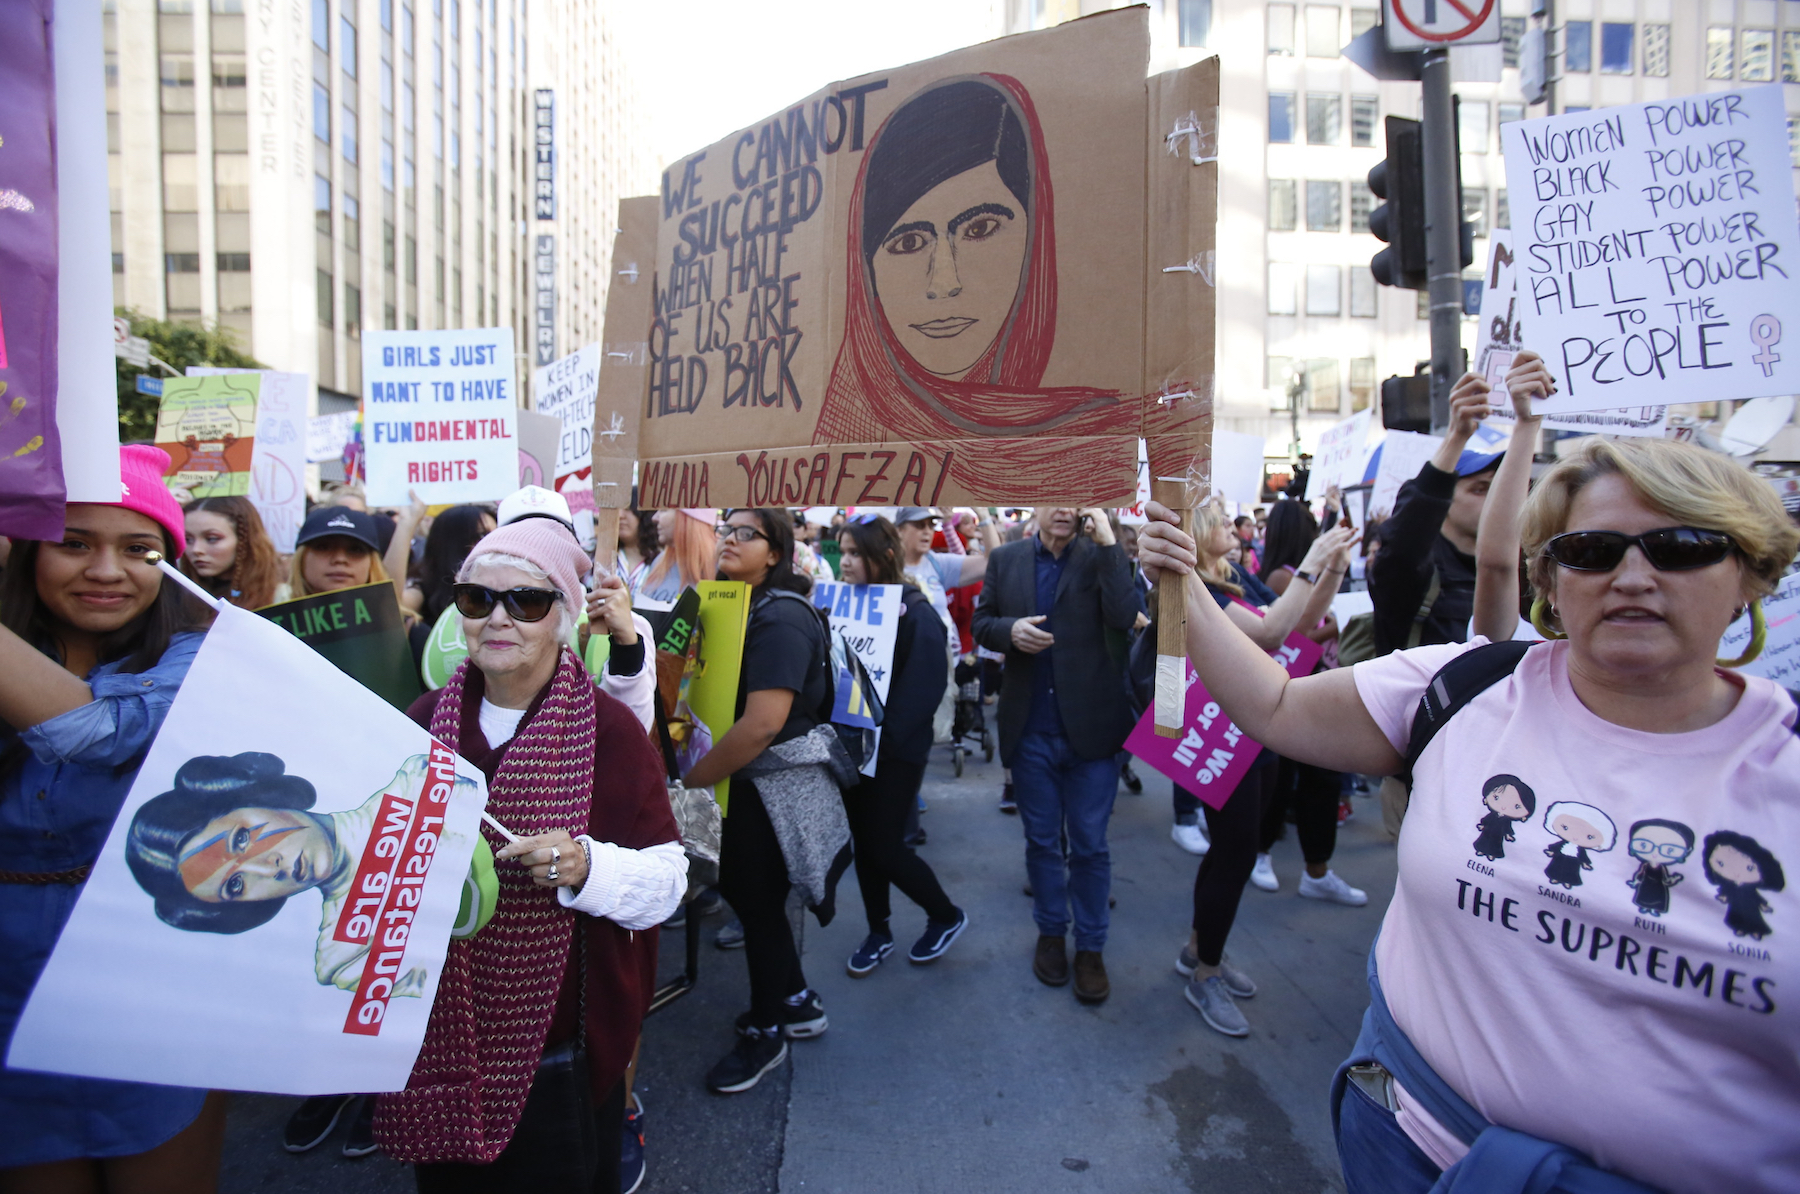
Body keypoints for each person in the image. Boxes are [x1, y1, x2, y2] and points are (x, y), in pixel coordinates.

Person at [1134, 367, 1800, 1191]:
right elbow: (1273, 701)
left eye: (1681, 547)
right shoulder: (1470, 684)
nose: (1633, 577)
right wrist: (1180, 573)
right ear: (1550, 579)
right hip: (1401, 1144)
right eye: (1592, 551)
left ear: (1754, 576)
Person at [373, 518, 685, 1191]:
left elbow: (668, 879)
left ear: (563, 617)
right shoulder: (422, 723)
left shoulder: (610, 730)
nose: (500, 618)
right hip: (439, 1037)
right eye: (478, 599)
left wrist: (586, 867)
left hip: (564, 1047)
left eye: (528, 601)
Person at [0, 445, 227, 1189]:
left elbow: (98, 732)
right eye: (73, 543)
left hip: (148, 986)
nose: (106, 570)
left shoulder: (198, 658)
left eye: (139, 549)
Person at [811, 75, 1125, 496]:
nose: (944, 283)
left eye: (980, 228)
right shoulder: (838, 451)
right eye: (908, 242)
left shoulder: (1120, 445)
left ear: (1036, 237)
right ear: (867, 272)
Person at [1166, 506, 1354, 1036]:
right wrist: (1312, 562)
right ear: (1200, 535)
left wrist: (1332, 566)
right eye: (1222, 521)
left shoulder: (1236, 576)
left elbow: (1300, 622)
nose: (1233, 527)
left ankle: (1201, 948)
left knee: (1235, 849)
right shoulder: (1196, 589)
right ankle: (1205, 974)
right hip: (1219, 737)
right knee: (1236, 852)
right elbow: (1272, 634)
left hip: (1257, 731)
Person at [681, 509, 845, 1095]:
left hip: (768, 791)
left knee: (758, 906)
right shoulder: (733, 605)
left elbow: (761, 725)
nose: (728, 538)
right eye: (725, 529)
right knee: (756, 904)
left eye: (744, 533)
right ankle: (796, 1000)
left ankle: (767, 1029)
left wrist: (691, 782)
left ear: (774, 551)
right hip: (743, 786)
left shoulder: (781, 620)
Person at [971, 506, 1138, 1004]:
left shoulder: (1103, 555)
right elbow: (982, 622)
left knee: (1090, 845)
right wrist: (1008, 632)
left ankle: (1090, 947)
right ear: (1035, 506)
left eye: (1075, 498)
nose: (1064, 508)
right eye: (1054, 497)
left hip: (1092, 731)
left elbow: (1124, 616)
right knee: (1041, 842)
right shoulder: (1006, 559)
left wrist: (1109, 545)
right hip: (1031, 730)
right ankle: (1050, 933)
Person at [835, 515, 967, 976]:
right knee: (867, 845)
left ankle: (946, 914)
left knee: (886, 846)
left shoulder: (916, 610)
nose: (845, 562)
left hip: (895, 753)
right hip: (853, 749)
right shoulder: (846, 605)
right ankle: (879, 930)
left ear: (883, 556)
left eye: (854, 553)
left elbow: (923, 689)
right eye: (843, 552)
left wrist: (881, 745)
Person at [1250, 502, 1362, 905]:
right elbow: (1284, 633)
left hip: (1317, 684)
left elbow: (1306, 618)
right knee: (1280, 780)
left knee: (1322, 779)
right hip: (1285, 688)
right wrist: (1340, 624)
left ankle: (1317, 868)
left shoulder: (1286, 574)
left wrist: (1331, 568)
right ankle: (1261, 854)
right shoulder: (1279, 577)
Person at [1368, 385, 1502, 656]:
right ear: (1444, 502)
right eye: (1480, 489)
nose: (1494, 500)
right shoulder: (1414, 574)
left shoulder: (1511, 571)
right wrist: (1457, 436)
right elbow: (1404, 542)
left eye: (1499, 489)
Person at [181, 495, 286, 608]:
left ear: (244, 540)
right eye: (188, 539)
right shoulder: (175, 595)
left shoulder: (280, 597)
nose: (196, 550)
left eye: (212, 539)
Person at [404, 504, 496, 623]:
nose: (494, 542)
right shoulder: (421, 592)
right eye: (483, 535)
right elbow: (390, 609)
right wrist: (405, 523)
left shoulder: (507, 586)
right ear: (453, 543)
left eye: (497, 534)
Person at [638, 508, 715, 610]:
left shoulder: (719, 565)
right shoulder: (659, 562)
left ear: (688, 519)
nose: (654, 518)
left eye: (664, 510)